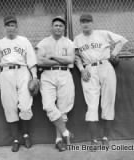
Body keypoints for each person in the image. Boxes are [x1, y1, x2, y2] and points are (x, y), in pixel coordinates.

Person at [74, 13, 128, 145]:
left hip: (105, 66)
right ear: (80, 24)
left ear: (92, 23)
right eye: (83, 21)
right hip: (89, 70)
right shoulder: (77, 39)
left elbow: (121, 40)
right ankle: (93, 139)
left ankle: (105, 138)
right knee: (91, 104)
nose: (85, 24)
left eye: (88, 21)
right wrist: (82, 69)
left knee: (108, 102)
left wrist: (113, 54)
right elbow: (76, 57)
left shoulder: (102, 33)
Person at [0, 15, 38, 152]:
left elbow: (32, 61)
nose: (10, 28)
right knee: (10, 107)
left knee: (26, 106)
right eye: (8, 25)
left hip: (22, 72)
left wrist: (35, 77)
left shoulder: (24, 41)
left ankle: (26, 135)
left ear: (16, 27)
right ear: (5, 27)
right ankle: (15, 139)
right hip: (6, 74)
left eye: (13, 25)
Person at [36, 16, 75, 152]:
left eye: (61, 26)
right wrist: (61, 61)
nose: (58, 28)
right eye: (56, 25)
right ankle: (65, 132)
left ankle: (59, 140)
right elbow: (40, 61)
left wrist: (52, 58)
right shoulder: (44, 43)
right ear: (51, 27)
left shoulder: (69, 42)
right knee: (48, 106)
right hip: (47, 75)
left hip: (65, 74)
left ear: (64, 29)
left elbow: (71, 60)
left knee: (63, 108)